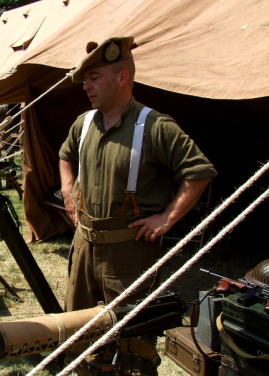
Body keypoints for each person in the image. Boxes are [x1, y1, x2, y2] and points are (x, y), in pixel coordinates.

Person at [58, 36, 217, 369]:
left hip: (128, 253)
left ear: (122, 77)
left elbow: (199, 172)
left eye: (94, 77)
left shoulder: (156, 127)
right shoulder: (84, 124)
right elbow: (65, 155)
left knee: (130, 341)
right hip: (84, 246)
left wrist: (167, 217)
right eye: (85, 79)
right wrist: (69, 191)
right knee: (77, 334)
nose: (86, 85)